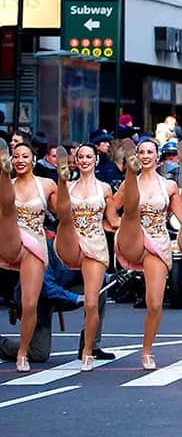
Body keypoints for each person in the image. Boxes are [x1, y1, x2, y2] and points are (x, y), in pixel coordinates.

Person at [106, 137, 182, 371]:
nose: (147, 156)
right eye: (142, 152)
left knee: (155, 303)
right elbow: (112, 206)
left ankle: (147, 350)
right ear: (137, 157)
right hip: (133, 237)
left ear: (157, 157)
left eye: (151, 152)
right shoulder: (129, 184)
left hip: (158, 242)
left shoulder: (168, 186)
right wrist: (116, 222)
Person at [51, 143, 115, 369]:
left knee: (91, 302)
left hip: (96, 246)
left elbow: (113, 220)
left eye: (89, 156)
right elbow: (59, 213)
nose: (85, 160)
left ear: (96, 160)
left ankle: (88, 350)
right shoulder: (67, 186)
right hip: (71, 243)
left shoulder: (105, 188)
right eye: (81, 157)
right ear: (75, 161)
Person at [0, 140, 54, 371]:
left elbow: (64, 212)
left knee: (29, 304)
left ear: (33, 159)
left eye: (25, 156)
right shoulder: (6, 184)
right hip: (8, 241)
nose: (20, 160)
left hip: (34, 246)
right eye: (15, 156)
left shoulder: (47, 184)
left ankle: (22, 351)